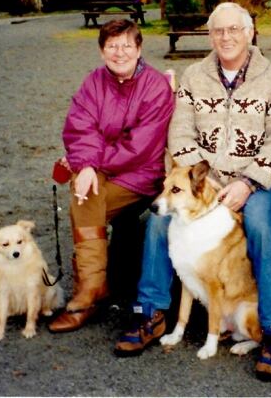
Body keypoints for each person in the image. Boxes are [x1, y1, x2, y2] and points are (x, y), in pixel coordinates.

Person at [114, 2, 271, 381]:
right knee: (159, 224)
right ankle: (151, 312)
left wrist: (246, 183)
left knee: (261, 226)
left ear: (250, 33)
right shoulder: (195, 76)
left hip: (252, 182)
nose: (226, 37)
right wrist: (203, 181)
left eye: (234, 29)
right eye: (218, 31)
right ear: (210, 35)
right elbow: (179, 133)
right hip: (201, 179)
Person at [48, 19, 175, 333]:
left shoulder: (156, 85)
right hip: (100, 171)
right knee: (86, 192)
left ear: (139, 48)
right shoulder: (93, 82)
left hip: (142, 175)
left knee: (85, 197)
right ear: (102, 50)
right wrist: (87, 165)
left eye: (126, 45)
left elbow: (141, 147)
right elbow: (80, 128)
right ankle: (92, 288)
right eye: (112, 46)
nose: (120, 53)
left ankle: (88, 293)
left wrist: (92, 163)